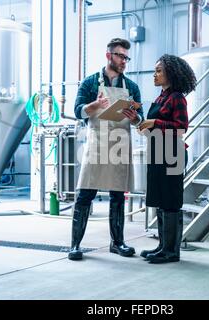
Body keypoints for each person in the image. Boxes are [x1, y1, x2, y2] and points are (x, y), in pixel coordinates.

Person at [69, 38, 143, 260]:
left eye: (126, 57)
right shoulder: (90, 83)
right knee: (85, 194)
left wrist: (135, 117)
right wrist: (95, 105)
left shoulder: (131, 87)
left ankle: (117, 243)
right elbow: (77, 110)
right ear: (108, 55)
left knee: (118, 195)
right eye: (121, 56)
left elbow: (141, 119)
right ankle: (75, 245)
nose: (124, 61)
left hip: (120, 142)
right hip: (97, 142)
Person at [138, 54, 196, 264]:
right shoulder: (161, 97)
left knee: (171, 202)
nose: (154, 75)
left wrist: (154, 122)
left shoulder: (177, 97)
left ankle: (172, 252)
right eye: (155, 70)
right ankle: (163, 247)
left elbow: (180, 128)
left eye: (159, 70)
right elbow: (156, 128)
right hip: (158, 152)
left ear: (170, 73)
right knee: (161, 201)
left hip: (172, 153)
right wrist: (142, 123)